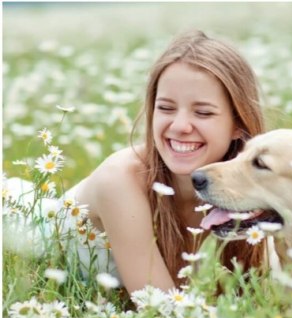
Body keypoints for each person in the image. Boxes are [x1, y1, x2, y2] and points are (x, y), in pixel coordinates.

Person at [68, 30, 266, 294]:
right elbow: (161, 313)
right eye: (166, 108)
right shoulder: (118, 181)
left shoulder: (259, 189)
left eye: (203, 112)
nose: (180, 126)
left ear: (238, 124)